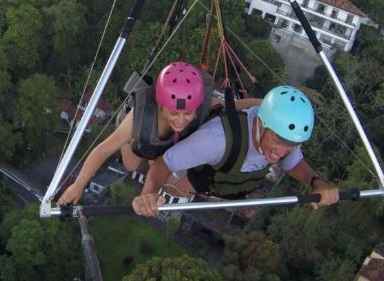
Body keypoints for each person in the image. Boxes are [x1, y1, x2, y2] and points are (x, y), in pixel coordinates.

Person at [58, 61, 258, 206]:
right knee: (131, 164)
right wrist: (79, 184)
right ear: (160, 105)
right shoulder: (140, 117)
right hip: (141, 140)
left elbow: (238, 107)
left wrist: (267, 105)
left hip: (167, 144)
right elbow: (103, 150)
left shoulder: (204, 104)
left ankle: (157, 156)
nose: (181, 119)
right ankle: (130, 137)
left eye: (188, 113)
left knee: (163, 165)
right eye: (173, 112)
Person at [131, 85, 339, 216]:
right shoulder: (216, 140)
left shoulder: (283, 141)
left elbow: (293, 162)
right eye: (277, 140)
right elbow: (165, 162)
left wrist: (317, 182)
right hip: (199, 177)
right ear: (260, 122)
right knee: (134, 160)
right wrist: (148, 194)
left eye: (291, 145)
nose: (282, 151)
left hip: (231, 187)